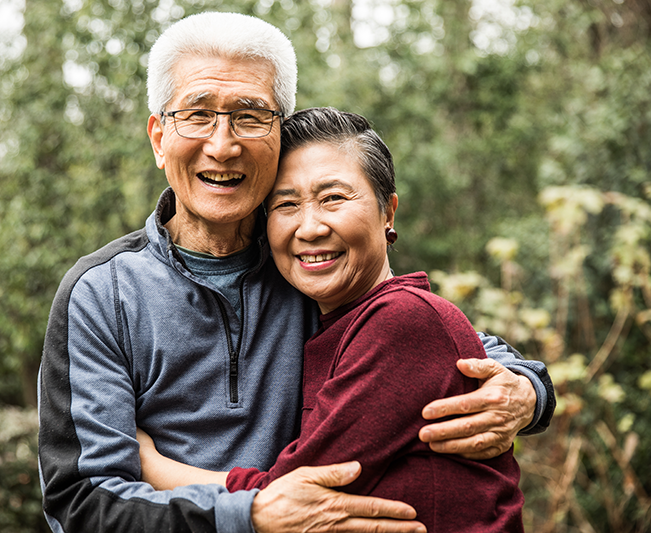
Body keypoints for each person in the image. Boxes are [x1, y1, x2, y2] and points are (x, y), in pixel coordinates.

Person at [38, 12, 555, 533]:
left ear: (277, 136)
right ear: (158, 138)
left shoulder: (308, 265)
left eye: (249, 115)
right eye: (197, 115)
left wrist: (528, 391)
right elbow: (81, 505)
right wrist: (249, 516)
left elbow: (439, 342)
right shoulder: (103, 292)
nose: (222, 145)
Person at [137, 107, 526, 532]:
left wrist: (150, 465)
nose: (309, 228)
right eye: (286, 204)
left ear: (388, 212)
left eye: (333, 198)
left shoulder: (402, 321)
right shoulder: (327, 321)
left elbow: (289, 496)